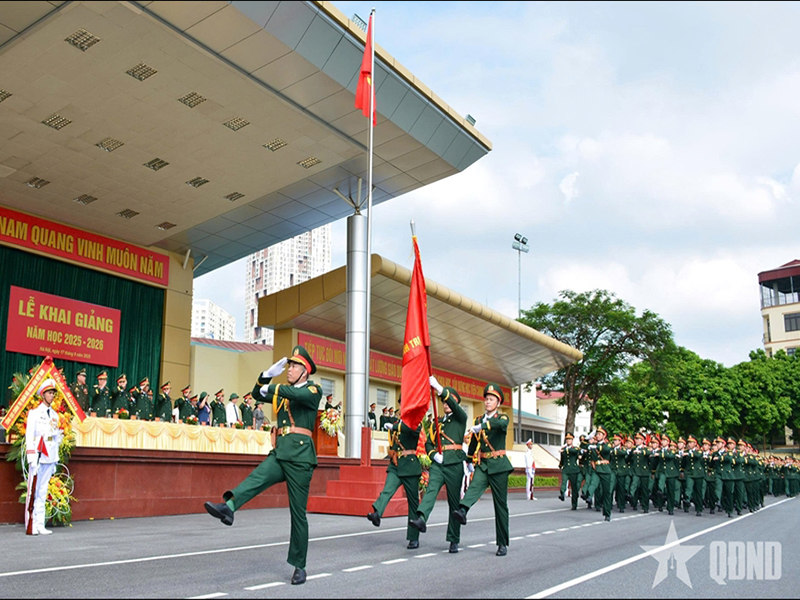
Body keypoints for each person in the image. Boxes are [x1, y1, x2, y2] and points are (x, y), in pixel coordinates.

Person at [204, 345, 322, 586]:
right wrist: (265, 376)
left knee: (298, 514)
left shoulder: (313, 389)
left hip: (300, 456)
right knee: (257, 477)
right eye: (289, 365)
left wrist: (274, 386)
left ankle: (300, 565)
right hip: (281, 451)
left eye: (294, 366)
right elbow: (257, 394)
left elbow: (297, 395)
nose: (289, 369)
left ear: (305, 371)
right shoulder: (283, 391)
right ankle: (229, 507)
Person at [452, 383, 513, 556]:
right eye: (486, 399)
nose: (487, 402)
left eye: (491, 399)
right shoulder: (478, 420)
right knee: (473, 488)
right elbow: (473, 442)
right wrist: (469, 459)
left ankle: (502, 543)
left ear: (498, 403)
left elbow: (499, 426)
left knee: (500, 505)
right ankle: (463, 510)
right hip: (484, 464)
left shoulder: (502, 418)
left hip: (499, 466)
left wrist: (483, 427)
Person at [409, 377, 467, 553]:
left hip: (455, 463)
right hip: (439, 464)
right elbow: (428, 444)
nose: (445, 404)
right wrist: (434, 455)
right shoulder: (437, 423)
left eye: (449, 401)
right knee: (431, 490)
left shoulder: (460, 418)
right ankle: (421, 518)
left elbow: (456, 408)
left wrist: (440, 389)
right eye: (443, 402)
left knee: (454, 503)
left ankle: (453, 539)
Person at [367, 396, 423, 550]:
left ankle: (413, 538)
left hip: (410, 465)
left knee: (413, 503)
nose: (402, 406)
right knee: (387, 490)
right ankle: (377, 513)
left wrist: (395, 427)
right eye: (400, 404)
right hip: (396, 464)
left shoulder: (414, 421)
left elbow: (414, 430)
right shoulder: (397, 423)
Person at [25, 379, 63, 535]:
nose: (52, 396)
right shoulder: (35, 413)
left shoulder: (54, 415)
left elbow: (54, 438)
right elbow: (29, 437)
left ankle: (40, 523)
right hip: (38, 456)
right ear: (43, 395)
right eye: (49, 393)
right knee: (32, 490)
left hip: (49, 456)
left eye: (53, 393)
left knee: (43, 489)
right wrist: (32, 457)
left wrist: (56, 453)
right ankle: (31, 522)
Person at [559, 432, 581, 510]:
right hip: (566, 469)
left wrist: (564, 450)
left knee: (574, 487)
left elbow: (574, 452)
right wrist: (560, 465)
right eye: (567, 439)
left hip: (573, 470)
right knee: (564, 481)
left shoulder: (575, 448)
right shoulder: (564, 449)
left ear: (572, 440)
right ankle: (562, 493)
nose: (568, 441)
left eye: (570, 439)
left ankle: (574, 503)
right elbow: (562, 459)